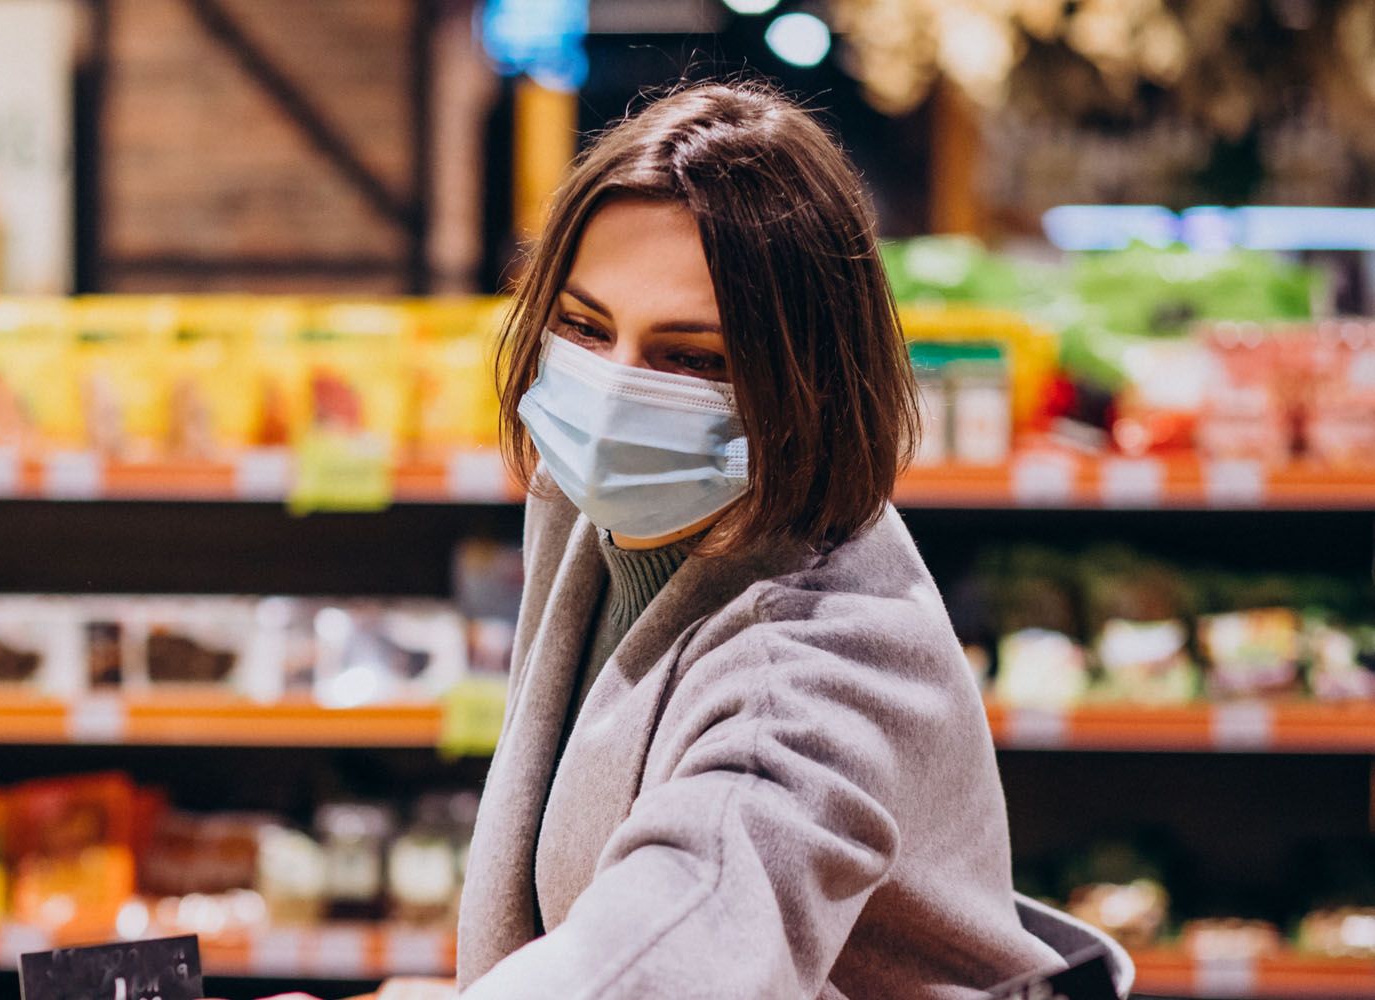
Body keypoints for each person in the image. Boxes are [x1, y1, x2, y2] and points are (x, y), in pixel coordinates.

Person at [455, 81, 1132, 1000]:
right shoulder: (582, 507)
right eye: (581, 325)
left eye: (691, 357)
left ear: (805, 383)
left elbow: (694, 922)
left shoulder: (824, 655)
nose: (611, 392)